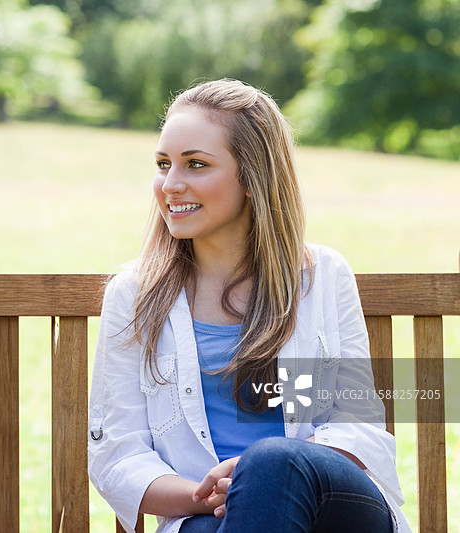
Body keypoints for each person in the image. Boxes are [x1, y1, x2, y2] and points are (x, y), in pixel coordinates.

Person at [87, 79, 410, 533]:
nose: (171, 185)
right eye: (163, 165)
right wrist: (212, 495)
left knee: (271, 463)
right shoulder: (136, 296)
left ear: (253, 177)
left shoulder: (319, 278)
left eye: (196, 165)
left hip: (333, 509)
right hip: (206, 515)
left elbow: (357, 428)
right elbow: (118, 456)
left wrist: (253, 474)